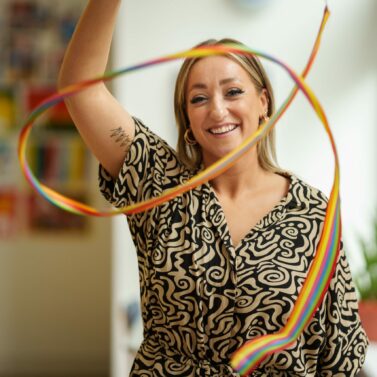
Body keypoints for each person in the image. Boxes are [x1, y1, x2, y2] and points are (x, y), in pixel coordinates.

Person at [58, 1, 368, 376]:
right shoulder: (157, 183)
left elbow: (343, 354)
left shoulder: (314, 212)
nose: (218, 110)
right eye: (199, 98)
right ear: (187, 120)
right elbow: (80, 89)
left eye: (233, 92)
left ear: (263, 104)